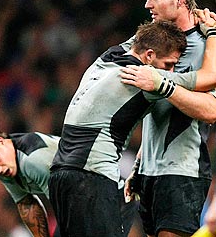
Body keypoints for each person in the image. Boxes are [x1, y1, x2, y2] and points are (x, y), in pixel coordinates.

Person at [48, 19, 204, 237]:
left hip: (60, 175)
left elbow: (141, 38)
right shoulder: (143, 78)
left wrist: (161, 19)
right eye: (168, 64)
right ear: (149, 56)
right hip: (91, 177)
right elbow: (208, 79)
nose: (171, 69)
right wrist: (213, 33)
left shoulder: (106, 59)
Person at [120, 0, 213, 236]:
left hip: (182, 170)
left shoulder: (208, 45)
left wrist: (164, 85)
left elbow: (211, 110)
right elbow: (157, 110)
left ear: (180, 1)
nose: (147, 4)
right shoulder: (155, 43)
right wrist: (140, 162)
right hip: (149, 171)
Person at [0, 130, 59, 237]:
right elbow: (27, 203)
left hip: (87, 183)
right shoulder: (6, 160)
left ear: (0, 141)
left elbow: (67, 205)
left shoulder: (33, 160)